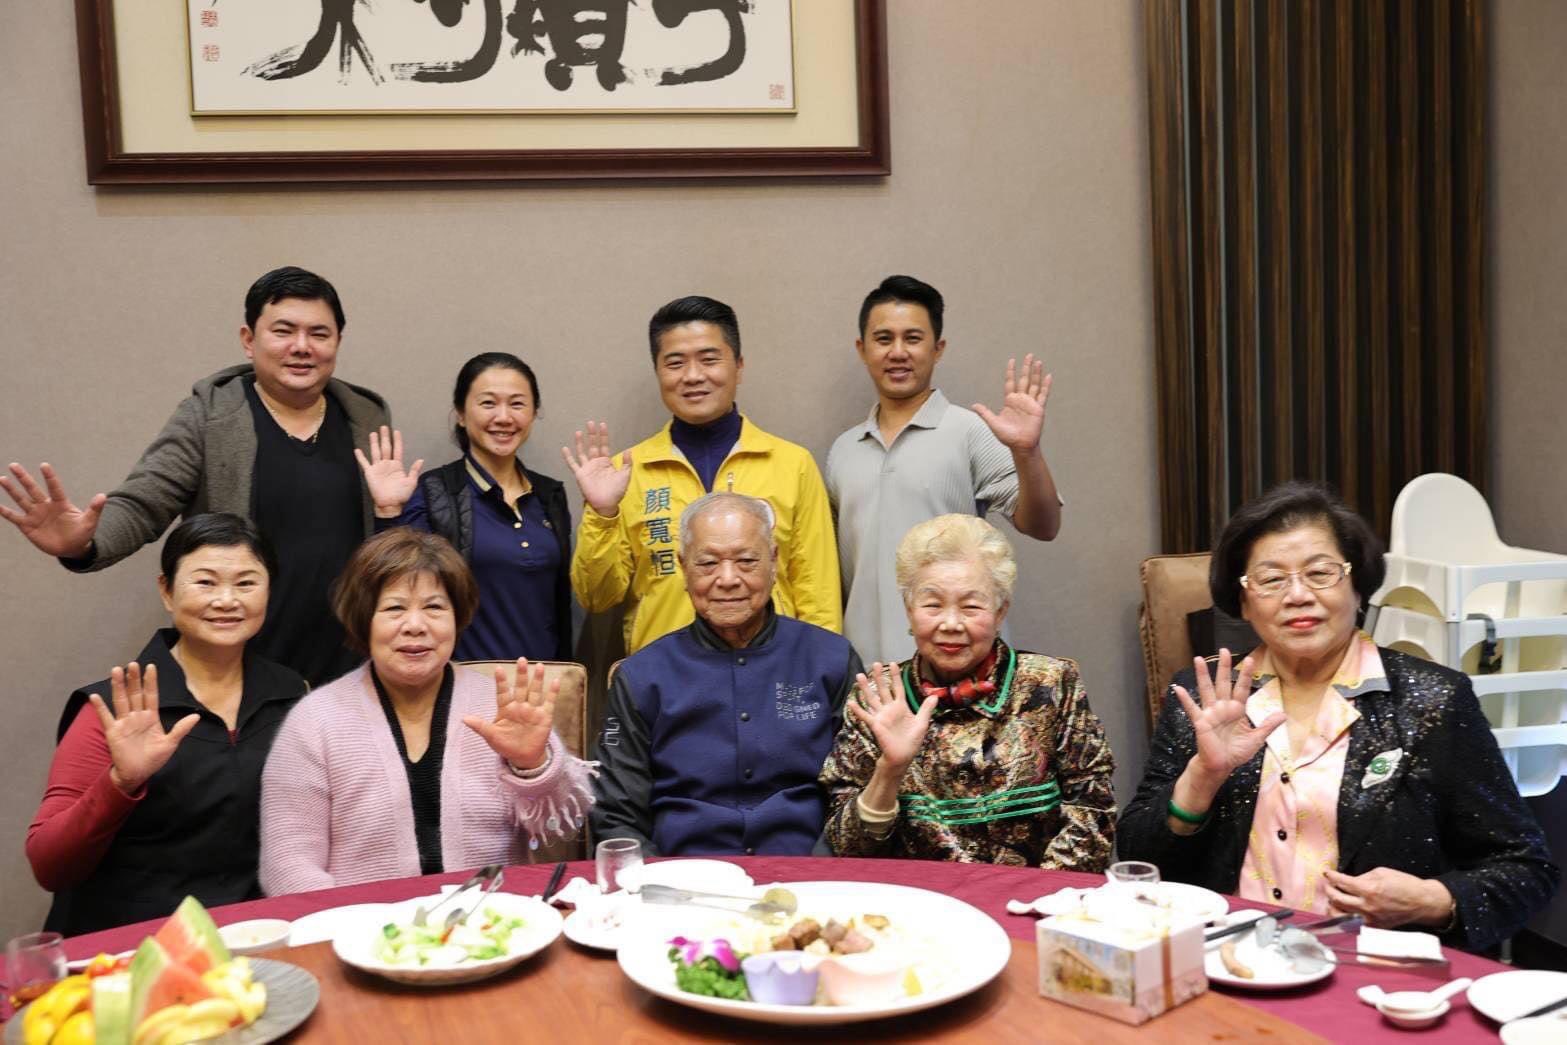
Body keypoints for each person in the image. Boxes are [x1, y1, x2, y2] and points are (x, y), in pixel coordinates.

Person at [1118, 481, 1559, 952]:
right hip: (1230, 962)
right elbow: (1140, 858)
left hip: (1370, 971)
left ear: (1358, 585)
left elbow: (1526, 869)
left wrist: (1432, 900)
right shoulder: (1204, 696)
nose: (1297, 595)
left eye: (1320, 573)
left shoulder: (1433, 700)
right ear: (1244, 602)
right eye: (1271, 579)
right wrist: (1203, 777)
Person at [0, 266, 390, 685]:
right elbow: (145, 501)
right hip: (242, 656)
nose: (301, 347)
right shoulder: (211, 416)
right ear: (249, 339)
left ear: (337, 341)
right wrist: (85, 543)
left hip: (348, 660)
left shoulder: (365, 417)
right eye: (283, 331)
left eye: (319, 334)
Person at [259, 528, 594, 894]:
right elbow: (287, 865)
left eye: (434, 607)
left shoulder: (500, 707)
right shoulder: (314, 721)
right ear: (363, 618)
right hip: (361, 924)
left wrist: (533, 765)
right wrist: (353, 924)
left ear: (458, 617)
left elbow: (562, 827)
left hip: (491, 918)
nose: (416, 626)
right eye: (395, 608)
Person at [26, 514, 307, 935]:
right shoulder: (113, 706)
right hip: (131, 944)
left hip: (252, 936)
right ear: (167, 591)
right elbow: (49, 866)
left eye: (246, 583)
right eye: (205, 582)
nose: (226, 600)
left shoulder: (292, 693)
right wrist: (120, 783)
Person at [820, 514, 1115, 867]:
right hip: (920, 898)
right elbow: (847, 848)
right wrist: (890, 769)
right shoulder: (878, 697)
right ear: (909, 610)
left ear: (1000, 611)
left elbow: (1093, 813)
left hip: (1036, 895)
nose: (950, 623)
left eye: (971, 606)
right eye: (932, 604)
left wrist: (1038, 893)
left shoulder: (1050, 685)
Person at [562, 295, 841, 654]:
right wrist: (603, 515)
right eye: (675, 363)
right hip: (665, 674)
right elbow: (596, 597)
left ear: (738, 366)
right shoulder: (626, 473)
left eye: (709, 360)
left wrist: (819, 671)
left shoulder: (792, 464)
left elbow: (818, 594)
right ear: (658, 372)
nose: (693, 376)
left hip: (773, 669)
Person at [591, 492, 862, 855]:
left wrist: (819, 871)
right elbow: (616, 814)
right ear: (683, 567)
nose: (728, 578)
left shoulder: (831, 659)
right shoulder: (642, 675)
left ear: (774, 561)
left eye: (747, 561)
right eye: (708, 563)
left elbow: (861, 791)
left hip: (808, 869)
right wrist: (656, 882)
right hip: (681, 873)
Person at [826, 275, 1064, 665]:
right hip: (870, 670)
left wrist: (1028, 452)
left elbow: (1044, 525)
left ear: (937, 349)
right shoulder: (842, 451)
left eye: (913, 338)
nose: (898, 352)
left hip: (959, 662)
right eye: (883, 339)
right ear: (862, 349)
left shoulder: (970, 431)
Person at [357, 352, 573, 662]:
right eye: (488, 403)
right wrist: (389, 511)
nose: (503, 417)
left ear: (534, 412)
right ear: (460, 413)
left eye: (517, 404)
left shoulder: (549, 495)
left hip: (544, 677)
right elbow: (395, 588)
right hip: (462, 679)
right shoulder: (434, 492)